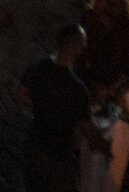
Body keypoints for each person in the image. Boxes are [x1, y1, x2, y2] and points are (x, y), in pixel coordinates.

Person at [16, 25, 99, 192]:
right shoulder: (78, 89)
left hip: (33, 146)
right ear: (74, 47)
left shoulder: (37, 65)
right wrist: (105, 145)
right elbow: (87, 128)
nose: (84, 47)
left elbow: (19, 94)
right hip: (58, 157)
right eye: (83, 43)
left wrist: (42, 106)